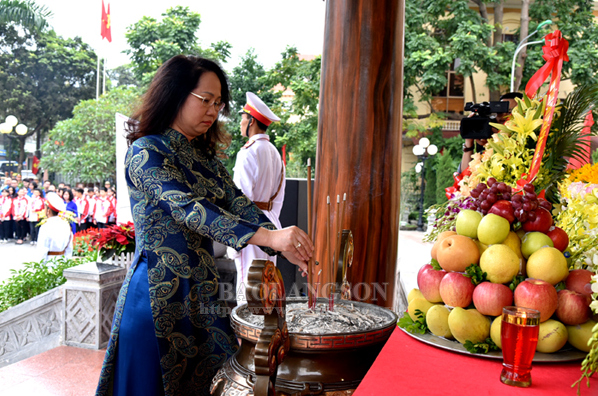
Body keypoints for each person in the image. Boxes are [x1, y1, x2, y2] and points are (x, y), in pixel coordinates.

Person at [96, 55, 313, 396]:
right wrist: (270, 235)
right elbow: (186, 207)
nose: (213, 111)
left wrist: (284, 246)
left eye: (219, 103)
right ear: (175, 95)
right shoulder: (146, 151)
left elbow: (237, 202)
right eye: (206, 100)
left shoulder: (203, 157)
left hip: (202, 288)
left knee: (208, 384)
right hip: (158, 292)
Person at [228, 91, 285, 299]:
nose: (241, 122)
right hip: (271, 225)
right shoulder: (275, 153)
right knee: (267, 288)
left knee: (248, 293)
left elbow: (239, 201)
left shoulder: (248, 152)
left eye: (243, 117)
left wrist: (235, 239)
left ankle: (248, 333)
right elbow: (277, 200)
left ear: (251, 120)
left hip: (250, 228)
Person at [459, 92, 523, 173]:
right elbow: (465, 177)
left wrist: (498, 141)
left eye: (510, 112)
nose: (504, 116)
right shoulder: (487, 129)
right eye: (500, 111)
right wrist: (469, 143)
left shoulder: (523, 138)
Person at [36, 192, 73, 263]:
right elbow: (69, 248)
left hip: (49, 263)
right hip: (63, 261)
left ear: (48, 211)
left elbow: (42, 250)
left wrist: (40, 267)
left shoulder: (45, 226)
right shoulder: (66, 225)